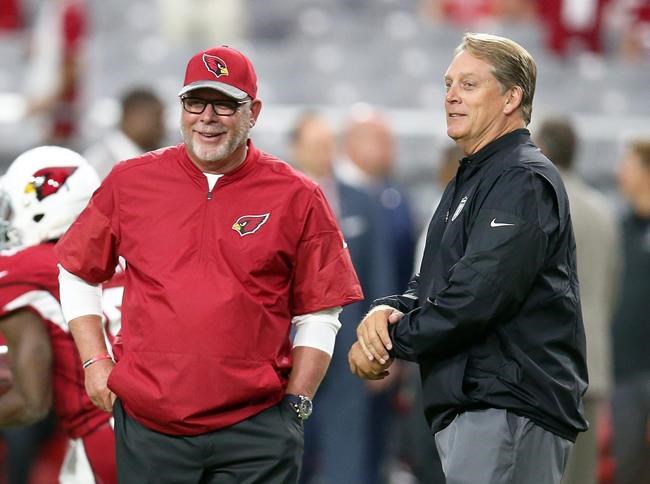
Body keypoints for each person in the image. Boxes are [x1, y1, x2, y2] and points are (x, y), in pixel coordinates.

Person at [55, 45, 363, 484]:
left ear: (252, 111)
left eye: (225, 103)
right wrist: (94, 362)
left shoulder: (297, 195)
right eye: (195, 101)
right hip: (150, 425)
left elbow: (321, 311)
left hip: (255, 428)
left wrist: (297, 402)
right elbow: (76, 271)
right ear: (181, 107)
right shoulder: (129, 181)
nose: (207, 116)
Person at [349, 32, 588, 484]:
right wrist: (390, 310)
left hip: (510, 407)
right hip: (479, 407)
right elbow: (433, 284)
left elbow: (477, 297)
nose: (451, 97)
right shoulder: (473, 177)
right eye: (447, 84)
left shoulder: (521, 178)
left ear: (511, 97)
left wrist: (388, 344)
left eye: (469, 85)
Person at [0, 146, 119, 483]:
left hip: (105, 431)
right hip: (170, 429)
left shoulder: (26, 267)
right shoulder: (130, 250)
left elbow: (31, 402)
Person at [289, 112, 395, 484]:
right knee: (289, 451)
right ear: (295, 149)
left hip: (349, 346)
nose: (323, 154)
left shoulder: (360, 201)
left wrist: (382, 348)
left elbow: (380, 276)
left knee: (349, 458)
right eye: (314, 146)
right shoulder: (277, 199)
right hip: (289, 350)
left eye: (327, 145)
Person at [534, 116, 621, 484]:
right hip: (593, 362)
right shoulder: (604, 210)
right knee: (582, 475)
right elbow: (611, 289)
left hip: (546, 362)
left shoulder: (540, 202)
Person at [610, 138, 650, 484]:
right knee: (627, 467)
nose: (619, 173)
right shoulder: (617, 228)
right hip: (624, 369)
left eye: (628, 165)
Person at [83, 87, 166, 179]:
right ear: (130, 117)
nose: (161, 129)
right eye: (156, 120)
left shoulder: (145, 157)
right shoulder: (102, 162)